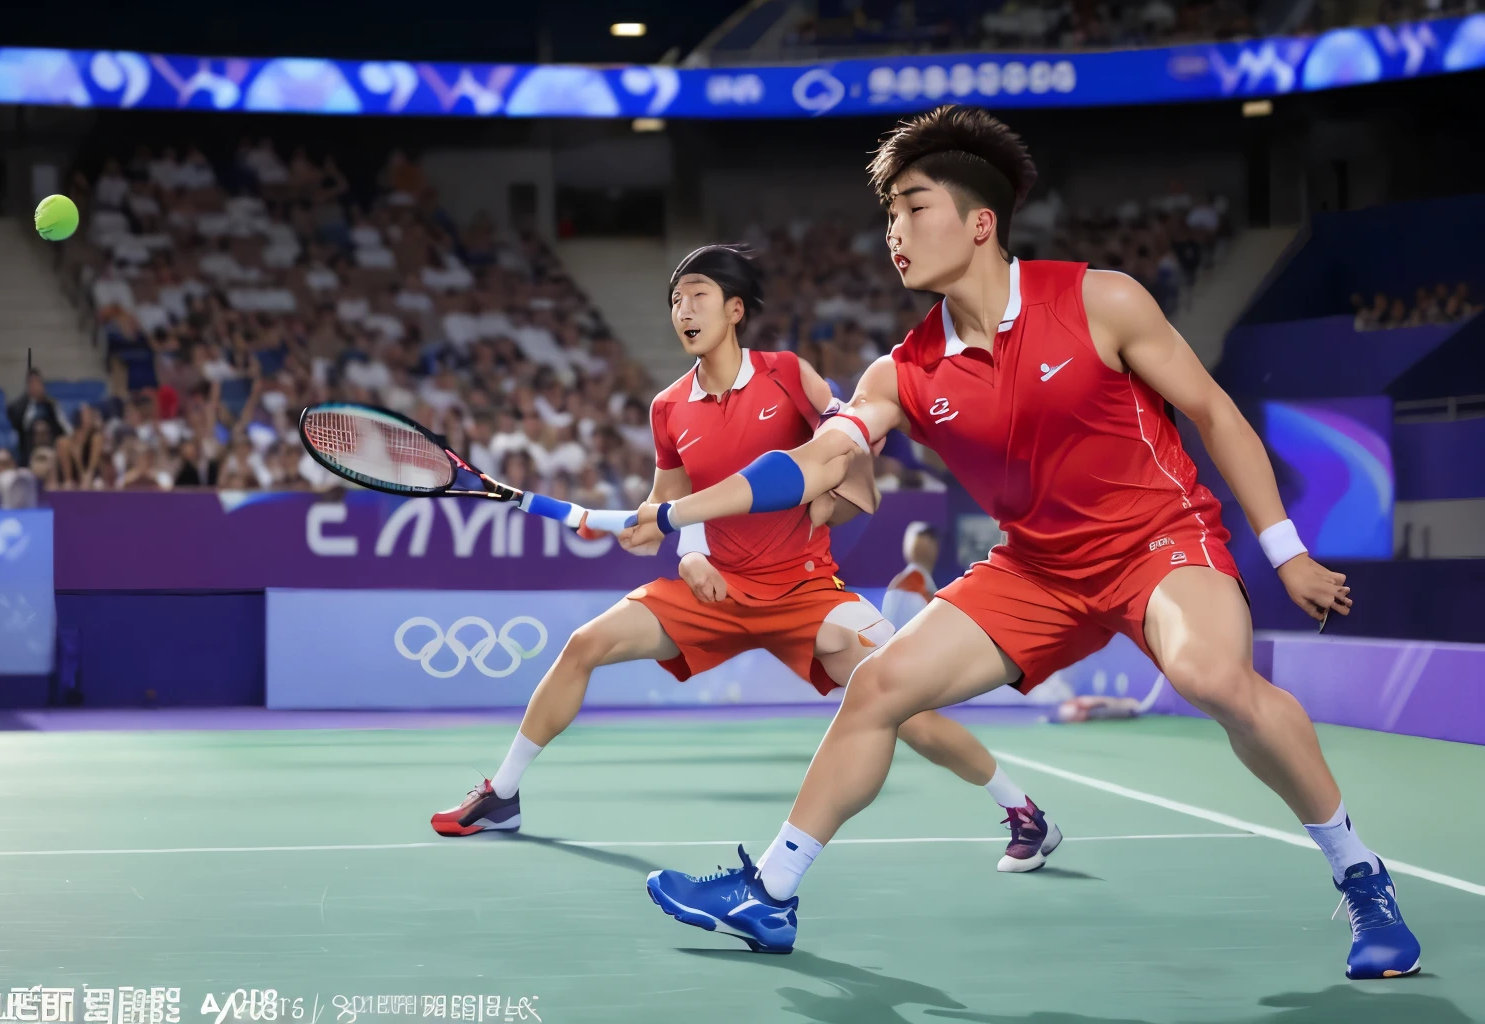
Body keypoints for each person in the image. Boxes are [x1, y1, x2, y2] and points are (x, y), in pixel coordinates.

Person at [631, 106, 1418, 981]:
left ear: (980, 222)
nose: (894, 230)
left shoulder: (1098, 299)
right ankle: (770, 894)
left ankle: (1361, 876)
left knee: (1211, 679)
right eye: (887, 214)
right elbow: (817, 460)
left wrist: (1286, 551)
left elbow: (1213, 413)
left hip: (1157, 543)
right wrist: (680, 513)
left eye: (913, 207)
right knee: (878, 683)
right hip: (1035, 568)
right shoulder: (903, 370)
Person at [430, 244, 1061, 874]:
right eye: (676, 299)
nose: (684, 308)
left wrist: (834, 497)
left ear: (735, 309)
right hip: (714, 592)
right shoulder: (668, 407)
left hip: (806, 591)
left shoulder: (789, 373)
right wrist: (666, 541)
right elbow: (668, 503)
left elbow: (854, 445)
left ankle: (1023, 812)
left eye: (698, 294)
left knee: (902, 703)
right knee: (584, 645)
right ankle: (503, 794)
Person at [881, 522, 939, 631]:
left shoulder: (916, 580)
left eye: (931, 539)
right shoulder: (910, 581)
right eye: (923, 537)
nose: (928, 543)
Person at [6, 369, 69, 465]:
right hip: (28, 444)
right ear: (28, 386)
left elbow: (62, 427)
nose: (36, 387)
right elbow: (19, 425)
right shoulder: (18, 406)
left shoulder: (51, 405)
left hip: (51, 443)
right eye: (32, 384)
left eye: (38, 383)